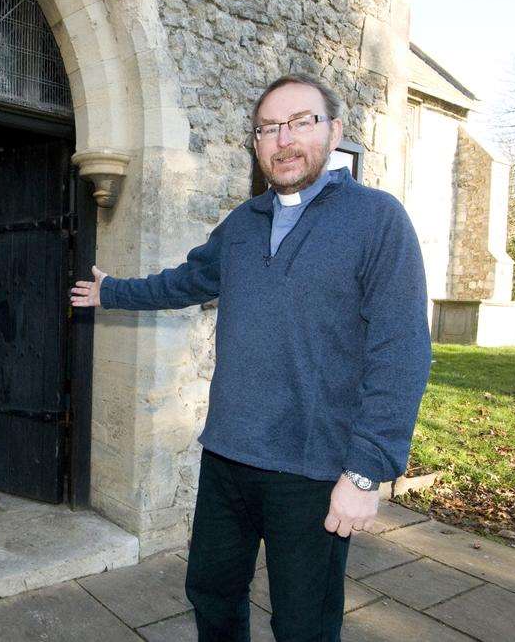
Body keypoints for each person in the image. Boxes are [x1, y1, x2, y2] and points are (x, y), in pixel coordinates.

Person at [70, 73, 431, 641]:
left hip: (312, 470)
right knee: (211, 594)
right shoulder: (243, 223)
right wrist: (113, 290)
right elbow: (188, 280)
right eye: (268, 128)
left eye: (300, 122)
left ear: (334, 131)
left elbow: (401, 350)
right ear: (256, 142)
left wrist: (366, 472)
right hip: (228, 456)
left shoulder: (377, 220)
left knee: (303, 623)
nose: (283, 139)